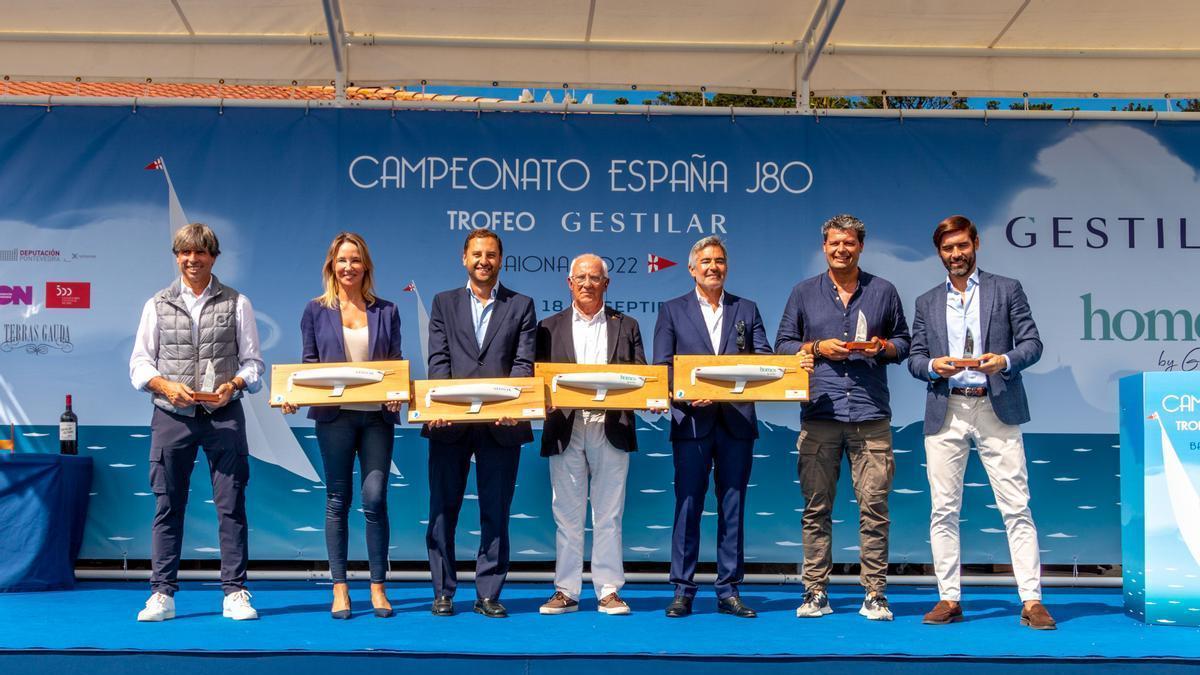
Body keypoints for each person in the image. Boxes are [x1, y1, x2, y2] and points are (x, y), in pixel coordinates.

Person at [907, 215, 1055, 630]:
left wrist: (1003, 361)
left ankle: (1031, 599)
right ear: (939, 253)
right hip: (946, 408)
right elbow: (915, 359)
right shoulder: (926, 302)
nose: (956, 254)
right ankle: (948, 599)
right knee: (943, 510)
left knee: (1016, 506)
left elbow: (1032, 344)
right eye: (948, 248)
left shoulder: (1007, 289)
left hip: (997, 405)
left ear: (976, 244)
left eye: (962, 246)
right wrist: (934, 366)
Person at [775, 214, 911, 621]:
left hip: (871, 416)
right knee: (816, 508)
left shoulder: (883, 291)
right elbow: (782, 346)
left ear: (860, 246)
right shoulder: (803, 293)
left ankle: (875, 594)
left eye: (849, 243)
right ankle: (815, 591)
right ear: (825, 246)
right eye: (834, 243)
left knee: (875, 507)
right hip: (820, 414)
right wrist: (816, 348)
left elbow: (904, 344)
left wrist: (882, 347)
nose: (841, 249)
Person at [654, 235, 796, 619]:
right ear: (691, 268)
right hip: (692, 424)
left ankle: (729, 589)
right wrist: (684, 395)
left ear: (726, 267)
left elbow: (764, 359)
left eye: (719, 261)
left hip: (736, 422)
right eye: (706, 261)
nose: (713, 267)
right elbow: (663, 367)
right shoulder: (671, 310)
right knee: (688, 506)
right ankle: (683, 590)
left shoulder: (745, 309)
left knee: (733, 506)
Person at [129, 223, 264, 622]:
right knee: (168, 505)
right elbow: (139, 364)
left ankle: (235, 591)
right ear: (176, 257)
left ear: (214, 258)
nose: (192, 260)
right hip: (171, 416)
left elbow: (254, 364)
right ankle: (162, 594)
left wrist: (235, 385)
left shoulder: (238, 303)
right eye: (185, 253)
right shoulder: (156, 304)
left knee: (231, 505)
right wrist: (165, 386)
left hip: (224, 416)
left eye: (201, 253)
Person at [282, 232, 403, 619]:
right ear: (331, 266)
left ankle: (378, 587)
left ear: (365, 265)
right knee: (337, 500)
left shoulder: (388, 310)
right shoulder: (314, 311)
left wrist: (397, 392)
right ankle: (340, 587)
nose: (348, 267)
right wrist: (292, 394)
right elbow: (308, 367)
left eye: (355, 260)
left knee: (375, 500)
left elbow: (396, 364)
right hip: (333, 419)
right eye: (341, 260)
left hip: (376, 419)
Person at [424, 229, 537, 619]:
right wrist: (442, 403)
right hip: (449, 423)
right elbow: (438, 361)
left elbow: (523, 364)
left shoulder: (521, 305)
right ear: (464, 258)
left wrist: (516, 404)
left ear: (501, 259)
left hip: (502, 423)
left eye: (490, 254)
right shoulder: (443, 303)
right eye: (476, 254)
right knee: (442, 509)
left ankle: (488, 592)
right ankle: (443, 591)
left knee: (496, 511)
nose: (483, 261)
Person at [536, 253, 651, 617]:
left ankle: (608, 591)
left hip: (611, 426)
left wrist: (652, 397)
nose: (587, 283)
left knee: (609, 514)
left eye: (595, 277)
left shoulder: (627, 324)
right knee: (566, 514)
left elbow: (640, 376)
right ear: (569, 284)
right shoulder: (547, 328)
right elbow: (536, 380)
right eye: (580, 278)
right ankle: (566, 591)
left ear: (607, 283)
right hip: (565, 428)